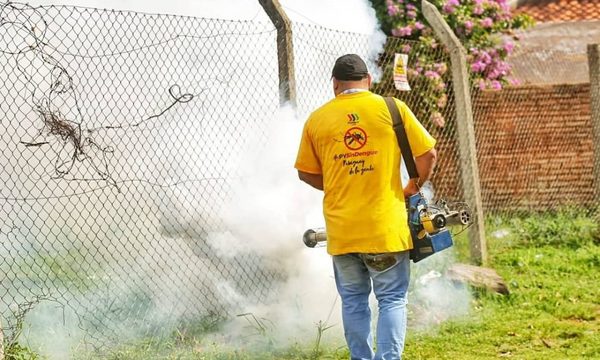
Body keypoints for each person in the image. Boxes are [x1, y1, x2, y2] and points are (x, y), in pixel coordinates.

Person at [294, 54, 437, 360]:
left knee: (354, 301)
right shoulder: (392, 108)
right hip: (384, 228)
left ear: (335, 85)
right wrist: (412, 185)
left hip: (343, 232)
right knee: (392, 299)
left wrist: (336, 184)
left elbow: (305, 172)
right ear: (369, 81)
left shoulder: (317, 119)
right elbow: (428, 154)